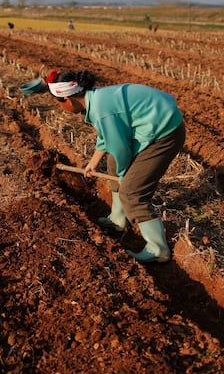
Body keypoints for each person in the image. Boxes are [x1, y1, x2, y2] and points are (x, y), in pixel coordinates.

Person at [47, 69, 185, 263]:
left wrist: (123, 175)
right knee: (112, 162)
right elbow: (107, 137)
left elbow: (121, 149)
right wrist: (93, 163)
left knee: (132, 192)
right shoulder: (96, 99)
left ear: (67, 100)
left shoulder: (101, 110)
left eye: (58, 103)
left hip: (165, 133)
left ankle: (158, 250)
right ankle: (118, 219)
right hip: (153, 124)